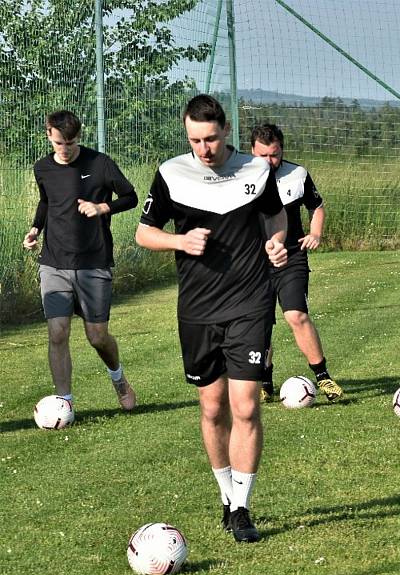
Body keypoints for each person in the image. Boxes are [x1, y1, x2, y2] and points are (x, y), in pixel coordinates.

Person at [135, 95, 288, 543]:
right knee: (212, 406)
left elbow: (275, 215)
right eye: (195, 140)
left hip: (249, 303)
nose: (204, 148)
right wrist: (180, 242)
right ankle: (225, 495)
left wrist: (276, 241)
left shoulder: (257, 171)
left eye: (212, 138)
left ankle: (242, 508)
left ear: (226, 132)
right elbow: (144, 233)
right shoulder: (170, 174)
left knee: (245, 406)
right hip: (198, 310)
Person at [22, 110, 138, 412]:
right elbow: (47, 201)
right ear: (49, 134)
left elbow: (130, 197)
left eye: (71, 142)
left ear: (79, 136)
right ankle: (65, 402)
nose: (65, 148)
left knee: (97, 337)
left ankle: (119, 379)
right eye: (60, 142)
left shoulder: (99, 164)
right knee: (57, 332)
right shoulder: (42, 168)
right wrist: (36, 228)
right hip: (54, 262)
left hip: (93, 262)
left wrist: (102, 207)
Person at [250, 124, 343, 403]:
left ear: (282, 151)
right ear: (251, 151)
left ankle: (323, 376)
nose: (270, 161)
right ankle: (264, 381)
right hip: (254, 265)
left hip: (291, 258)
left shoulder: (298, 174)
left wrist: (315, 233)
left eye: (275, 155)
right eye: (263, 155)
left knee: (296, 315)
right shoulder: (238, 179)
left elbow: (317, 206)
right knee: (260, 323)